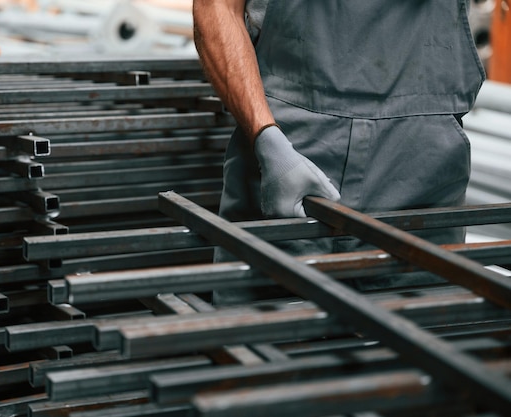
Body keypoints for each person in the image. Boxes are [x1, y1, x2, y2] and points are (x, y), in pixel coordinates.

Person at [193, 0, 485, 302]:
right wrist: (268, 141)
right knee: (268, 339)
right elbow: (216, 7)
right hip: (292, 161)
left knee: (426, 337)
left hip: (423, 175)